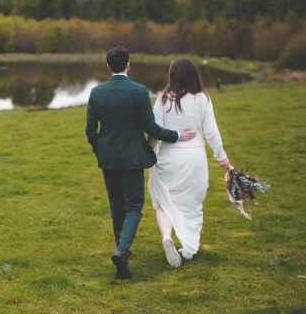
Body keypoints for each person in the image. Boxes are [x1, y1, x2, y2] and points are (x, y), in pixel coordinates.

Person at [85, 46, 196, 280]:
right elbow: (151, 128)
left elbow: (90, 131)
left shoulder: (96, 92)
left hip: (109, 159)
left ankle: (121, 249)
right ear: (128, 64)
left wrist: (101, 150)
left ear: (108, 67)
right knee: (133, 207)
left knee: (116, 206)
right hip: (133, 158)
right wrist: (176, 135)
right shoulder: (139, 91)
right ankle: (122, 250)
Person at [148, 58, 232, 268]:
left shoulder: (164, 98)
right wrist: (221, 157)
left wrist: (151, 152)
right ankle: (188, 250)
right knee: (193, 204)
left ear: (172, 75)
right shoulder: (203, 99)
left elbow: (154, 131)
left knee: (163, 201)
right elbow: (211, 132)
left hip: (168, 157)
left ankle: (167, 237)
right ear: (194, 75)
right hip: (194, 158)